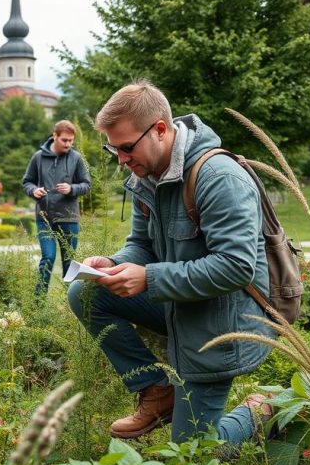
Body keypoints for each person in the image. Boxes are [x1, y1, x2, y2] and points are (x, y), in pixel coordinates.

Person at [67, 80, 274, 444]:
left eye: (127, 147)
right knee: (85, 294)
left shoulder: (219, 178)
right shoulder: (146, 176)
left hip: (222, 324)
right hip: (179, 305)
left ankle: (264, 409)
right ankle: (157, 390)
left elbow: (237, 266)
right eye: (113, 149)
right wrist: (114, 264)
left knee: (194, 454)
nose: (121, 159)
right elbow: (142, 245)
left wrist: (149, 278)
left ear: (160, 129)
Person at [22, 119, 92, 296]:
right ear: (54, 136)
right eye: (65, 140)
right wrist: (33, 191)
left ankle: (71, 304)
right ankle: (38, 303)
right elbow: (27, 182)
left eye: (71, 141)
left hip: (69, 218)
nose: (68, 144)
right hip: (44, 217)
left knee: (69, 261)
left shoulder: (76, 158)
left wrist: (71, 189)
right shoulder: (38, 157)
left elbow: (87, 185)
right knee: (48, 257)